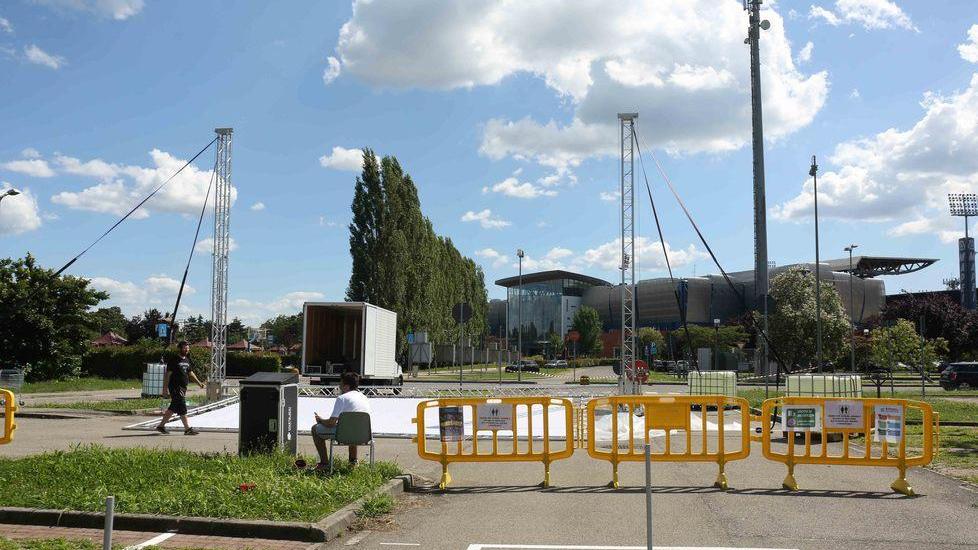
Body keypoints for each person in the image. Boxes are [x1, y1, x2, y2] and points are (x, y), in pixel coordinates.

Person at [311, 371, 371, 470]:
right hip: (364, 434)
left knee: (315, 429)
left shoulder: (342, 398)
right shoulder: (364, 397)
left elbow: (331, 423)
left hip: (345, 434)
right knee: (352, 427)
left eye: (341, 384)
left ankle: (324, 464)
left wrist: (320, 420)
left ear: (346, 386)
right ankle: (353, 462)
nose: (339, 386)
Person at [156, 340, 205, 435]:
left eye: (187, 348)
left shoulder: (186, 359)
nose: (186, 349)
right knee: (182, 406)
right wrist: (164, 389)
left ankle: (161, 426)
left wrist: (199, 383)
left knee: (173, 407)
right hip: (175, 387)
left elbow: (190, 373)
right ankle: (187, 429)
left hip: (183, 388)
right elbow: (167, 375)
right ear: (179, 348)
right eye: (184, 348)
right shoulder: (174, 360)